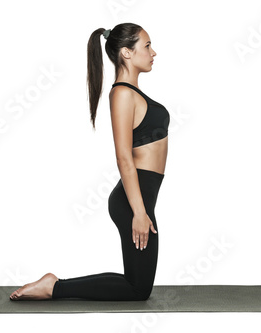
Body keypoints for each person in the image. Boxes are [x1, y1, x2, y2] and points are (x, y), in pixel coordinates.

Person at [9, 23, 169, 301]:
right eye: (146, 45)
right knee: (139, 289)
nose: (153, 52)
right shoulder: (121, 94)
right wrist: (139, 213)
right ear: (126, 53)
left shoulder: (133, 93)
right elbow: (123, 157)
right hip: (134, 200)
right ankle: (54, 287)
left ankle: (53, 285)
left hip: (142, 196)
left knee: (137, 284)